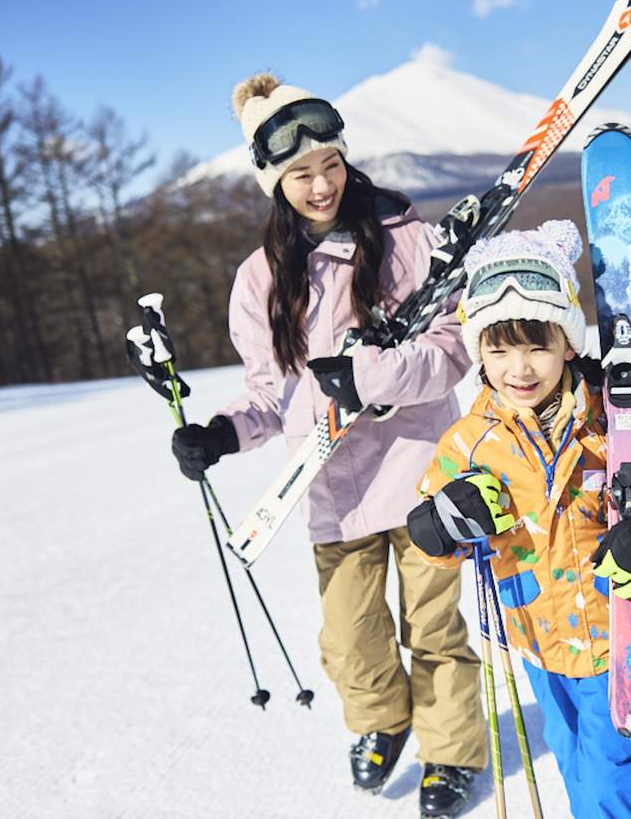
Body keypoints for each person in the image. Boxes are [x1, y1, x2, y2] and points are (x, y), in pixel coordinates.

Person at [170, 73, 485, 817]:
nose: (321, 186)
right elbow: (267, 394)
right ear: (275, 184)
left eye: (331, 166)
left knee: (434, 629)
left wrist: (372, 375)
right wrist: (220, 433)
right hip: (331, 486)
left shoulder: (406, 240)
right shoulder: (260, 280)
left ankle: (449, 751)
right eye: (302, 174)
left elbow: (451, 351)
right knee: (350, 639)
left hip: (420, 468)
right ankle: (383, 720)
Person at [405, 221, 631, 819]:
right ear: (479, 353)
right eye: (499, 350)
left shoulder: (617, 419)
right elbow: (431, 530)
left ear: (568, 343)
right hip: (535, 637)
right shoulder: (470, 442)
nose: (519, 368)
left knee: (613, 781)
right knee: (575, 763)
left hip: (621, 633)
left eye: (537, 346)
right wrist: (442, 524)